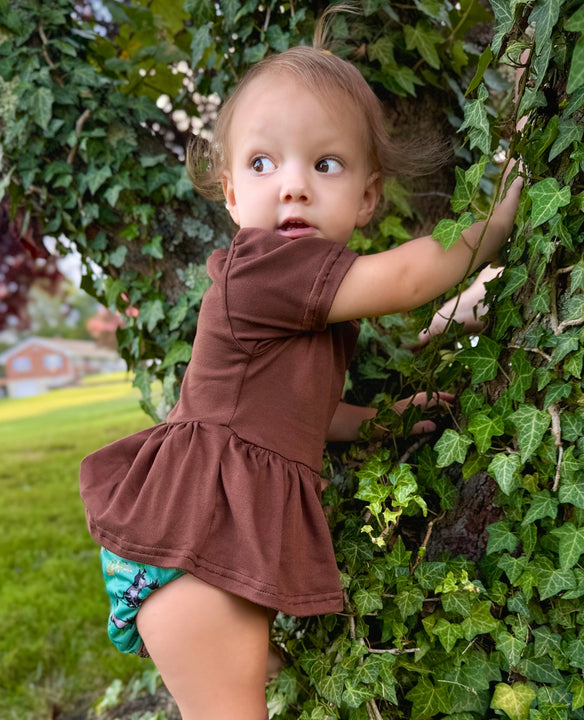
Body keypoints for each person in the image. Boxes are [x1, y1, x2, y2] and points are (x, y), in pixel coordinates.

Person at [80, 10, 523, 719]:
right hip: (191, 540)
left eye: (326, 164)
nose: (293, 186)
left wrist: (382, 420)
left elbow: (302, 414)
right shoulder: (265, 268)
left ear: (368, 196)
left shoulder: (302, 298)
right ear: (231, 194)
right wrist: (496, 224)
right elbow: (407, 280)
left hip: (199, 532)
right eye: (263, 163)